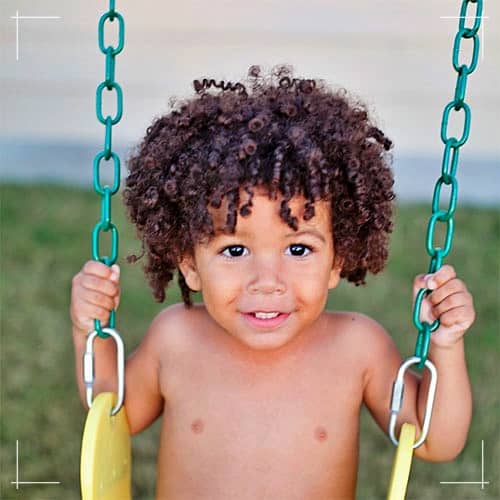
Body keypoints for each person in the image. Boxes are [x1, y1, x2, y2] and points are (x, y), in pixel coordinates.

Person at [70, 65, 475, 499]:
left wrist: (445, 345)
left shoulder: (357, 348)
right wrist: (87, 330)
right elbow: (113, 411)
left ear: (336, 260)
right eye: (235, 251)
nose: (267, 282)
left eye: (298, 249)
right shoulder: (177, 338)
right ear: (190, 264)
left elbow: (435, 440)